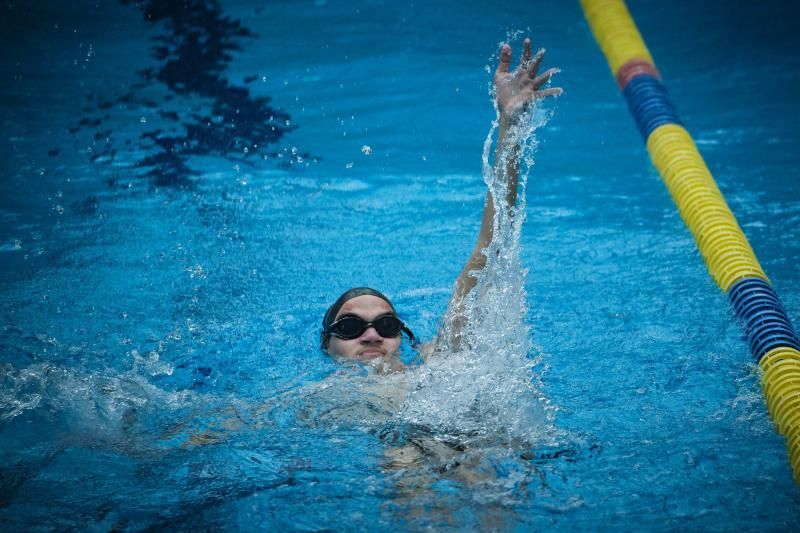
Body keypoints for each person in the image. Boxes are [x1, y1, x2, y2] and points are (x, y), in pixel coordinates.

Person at [320, 38, 562, 368]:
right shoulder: (309, 406)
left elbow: (490, 251)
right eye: (350, 328)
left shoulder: (438, 373)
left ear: (401, 339)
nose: (373, 335)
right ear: (327, 346)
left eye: (387, 325)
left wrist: (510, 126)